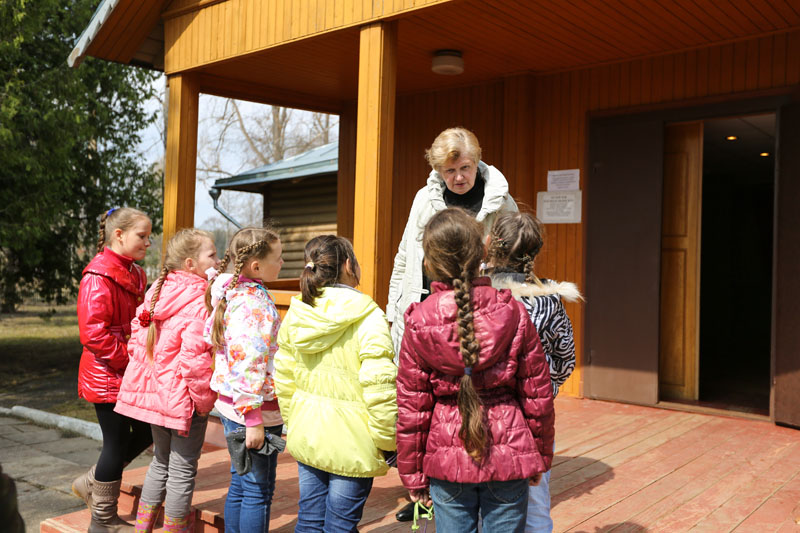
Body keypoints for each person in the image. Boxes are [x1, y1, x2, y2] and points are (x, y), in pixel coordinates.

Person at [396, 208, 555, 533]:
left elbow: (412, 409)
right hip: (509, 452)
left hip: (447, 457)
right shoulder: (512, 311)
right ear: (483, 253)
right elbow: (537, 395)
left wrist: (412, 473)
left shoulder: (419, 321)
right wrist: (540, 454)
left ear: (428, 263)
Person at [274, 236, 397, 533]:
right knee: (340, 526)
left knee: (309, 522)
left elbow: (283, 376)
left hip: (308, 432)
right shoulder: (369, 315)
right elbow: (380, 388)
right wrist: (389, 441)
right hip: (353, 443)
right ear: (347, 265)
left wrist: (294, 421)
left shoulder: (298, 312)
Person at [113, 228, 220, 533]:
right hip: (184, 401)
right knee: (183, 471)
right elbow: (195, 361)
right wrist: (203, 402)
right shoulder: (200, 299)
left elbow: (137, 342)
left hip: (159, 397)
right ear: (190, 263)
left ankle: (142, 528)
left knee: (160, 463)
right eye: (211, 254)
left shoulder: (158, 290)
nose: (217, 259)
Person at [387, 127, 518, 363]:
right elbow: (404, 258)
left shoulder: (502, 203)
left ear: (477, 162)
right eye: (450, 170)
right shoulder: (423, 199)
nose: (458, 178)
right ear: (438, 170)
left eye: (465, 168)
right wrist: (392, 312)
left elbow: (516, 266)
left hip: (481, 320)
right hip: (423, 316)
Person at [485, 212, 581, 533]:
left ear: (491, 246)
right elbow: (566, 358)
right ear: (535, 251)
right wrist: (543, 388)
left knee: (485, 505)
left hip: (481, 413)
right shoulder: (549, 302)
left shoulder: (475, 296)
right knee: (536, 505)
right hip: (533, 417)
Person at [72, 207, 154, 533]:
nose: (148, 243)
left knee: (146, 432)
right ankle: (102, 519)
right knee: (116, 443)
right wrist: (130, 360)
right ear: (118, 234)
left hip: (128, 371)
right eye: (142, 236)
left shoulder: (135, 273)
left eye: (149, 237)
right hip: (107, 374)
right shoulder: (97, 277)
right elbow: (93, 334)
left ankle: (92, 480)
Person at [204, 227, 284, 533]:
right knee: (257, 491)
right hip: (252, 411)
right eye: (277, 258)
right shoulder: (253, 303)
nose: (281, 264)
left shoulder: (231, 291)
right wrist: (253, 418)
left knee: (240, 482)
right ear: (255, 266)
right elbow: (248, 363)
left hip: (231, 406)